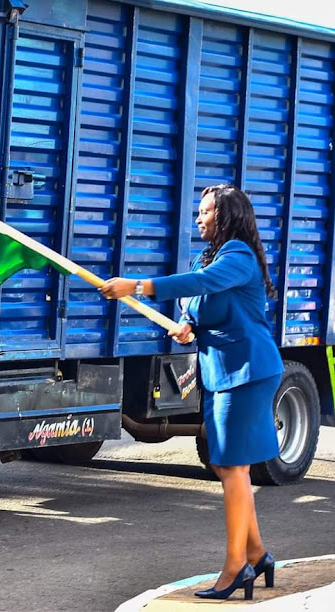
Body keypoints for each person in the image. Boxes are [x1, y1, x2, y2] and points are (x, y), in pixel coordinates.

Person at [99, 184, 284, 601]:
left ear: (227, 215)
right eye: (198, 212)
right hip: (221, 373)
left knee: (234, 468)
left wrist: (138, 285)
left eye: (205, 212)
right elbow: (204, 303)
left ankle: (237, 568)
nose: (198, 219)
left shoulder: (237, 254)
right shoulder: (211, 256)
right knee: (225, 466)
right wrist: (190, 326)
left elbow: (204, 283)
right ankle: (257, 553)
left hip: (248, 371)